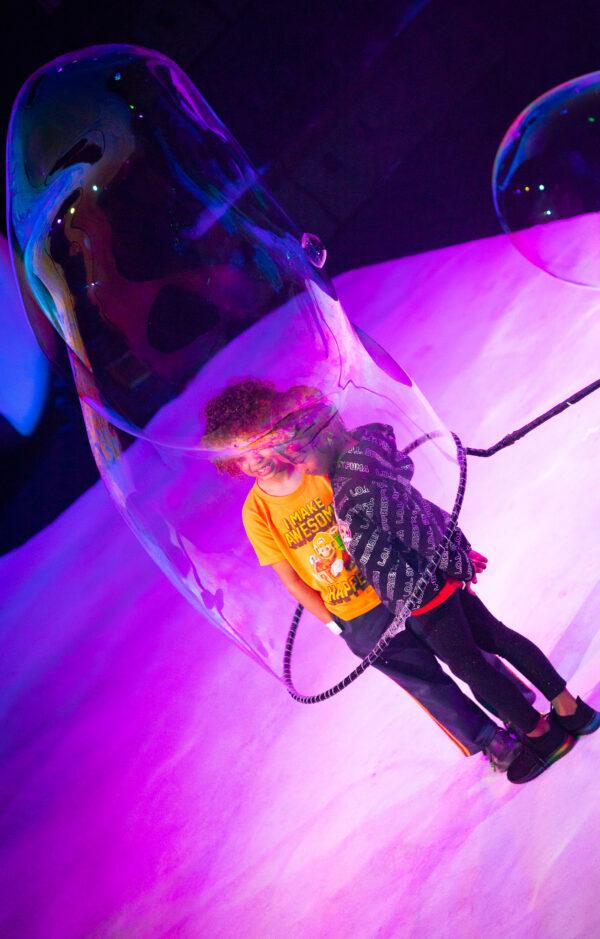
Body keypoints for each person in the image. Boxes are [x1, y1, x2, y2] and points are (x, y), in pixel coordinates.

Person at [203, 379, 543, 774]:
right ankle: (488, 738)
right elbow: (292, 580)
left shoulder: (316, 461)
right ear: (231, 463)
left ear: (276, 429)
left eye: (258, 440)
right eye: (240, 453)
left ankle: (517, 706)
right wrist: (337, 625)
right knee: (422, 680)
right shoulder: (257, 513)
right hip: (357, 614)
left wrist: (445, 546)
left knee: (464, 648)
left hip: (400, 580)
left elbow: (391, 500)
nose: (255, 457)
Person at [263, 390, 600, 785]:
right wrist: (456, 549)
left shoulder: (355, 486)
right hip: (431, 578)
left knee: (468, 665)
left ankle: (541, 736)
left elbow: (413, 526)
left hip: (418, 591)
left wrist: (453, 557)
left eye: (300, 455)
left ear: (326, 436)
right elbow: (417, 507)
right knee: (496, 637)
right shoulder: (363, 456)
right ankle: (569, 709)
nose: (298, 467)